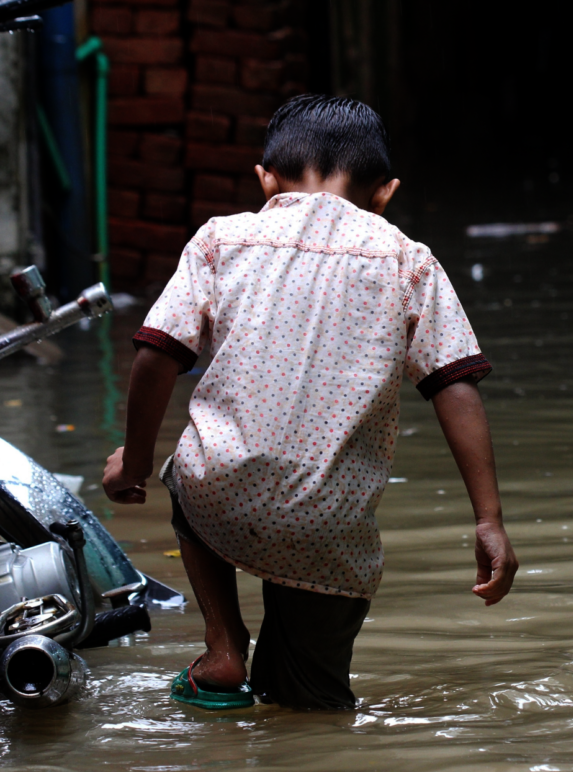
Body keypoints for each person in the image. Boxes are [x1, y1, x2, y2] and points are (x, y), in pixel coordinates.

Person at [102, 95, 518, 711]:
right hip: (329, 521)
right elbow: (453, 384)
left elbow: (157, 354)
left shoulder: (222, 240)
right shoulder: (408, 261)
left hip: (222, 491)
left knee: (186, 473)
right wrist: (488, 520)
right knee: (309, 705)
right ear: (385, 193)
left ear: (265, 180)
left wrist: (132, 464)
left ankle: (221, 646)